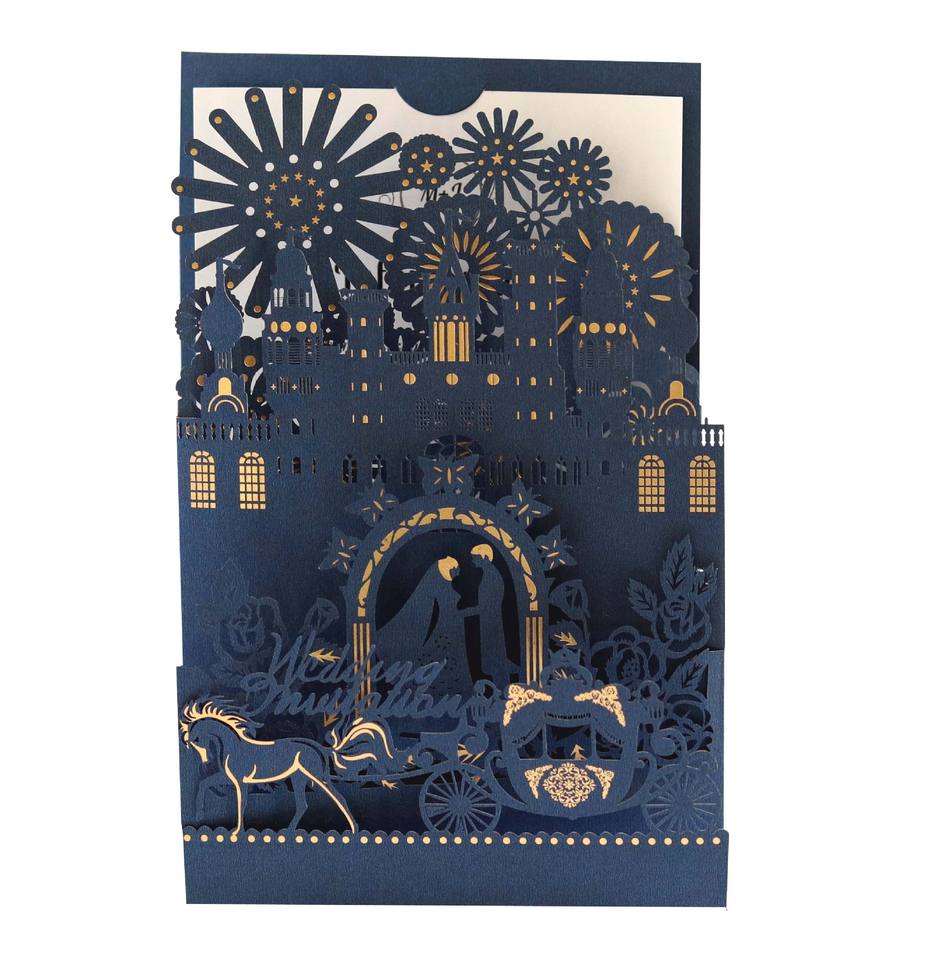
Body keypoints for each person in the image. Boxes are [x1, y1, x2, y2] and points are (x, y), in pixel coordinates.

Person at [468, 544, 510, 688]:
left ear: (485, 557)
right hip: (488, 622)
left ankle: (502, 690)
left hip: (491, 623)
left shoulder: (492, 576)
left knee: (495, 658)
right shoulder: (488, 574)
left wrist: (470, 611)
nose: (472, 561)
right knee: (492, 659)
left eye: (475, 557)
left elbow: (490, 603)